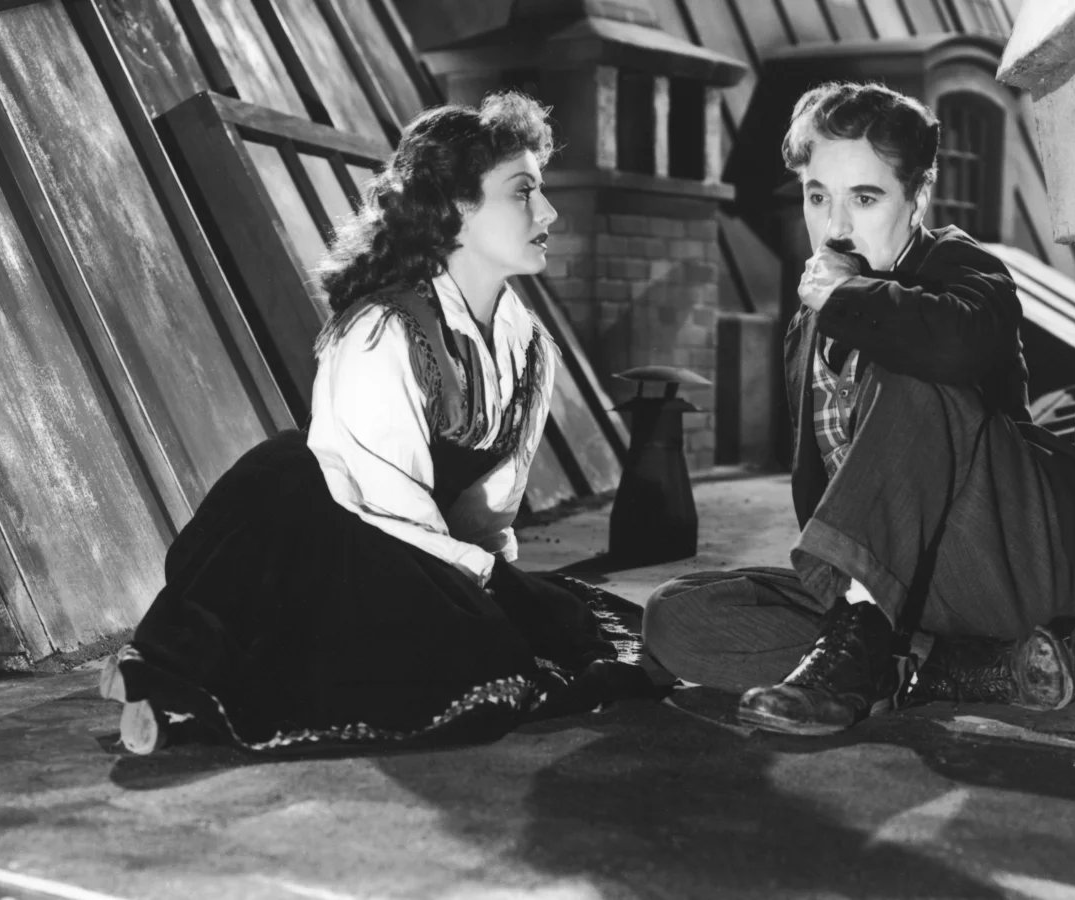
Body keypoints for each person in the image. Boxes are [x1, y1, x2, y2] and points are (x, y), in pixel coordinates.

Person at [99, 93, 657, 755]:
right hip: (320, 525)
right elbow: (381, 503)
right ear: (455, 209)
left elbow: (489, 509)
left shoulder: (529, 346)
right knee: (471, 662)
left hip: (416, 541)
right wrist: (480, 581)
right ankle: (165, 685)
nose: (548, 212)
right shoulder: (380, 330)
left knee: (543, 630)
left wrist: (503, 585)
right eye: (522, 192)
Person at [641, 82, 1075, 736]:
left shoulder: (963, 268)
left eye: (864, 198)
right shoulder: (807, 329)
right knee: (674, 612)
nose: (835, 227)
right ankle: (939, 668)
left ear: (918, 198)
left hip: (1006, 564)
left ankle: (861, 647)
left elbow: (957, 347)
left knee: (913, 368)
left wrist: (848, 298)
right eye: (817, 197)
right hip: (907, 586)